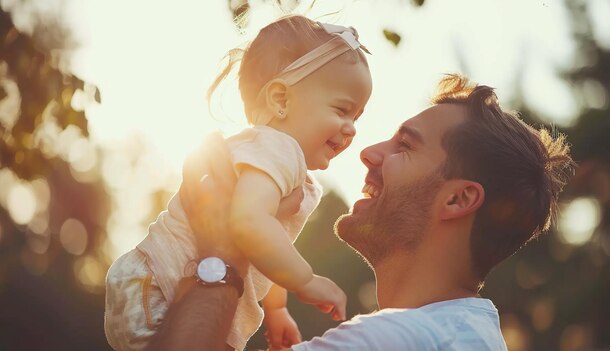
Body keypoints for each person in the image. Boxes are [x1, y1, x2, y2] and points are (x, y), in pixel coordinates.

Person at [146, 74, 575, 351]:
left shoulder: (395, 341)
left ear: (458, 200)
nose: (368, 152)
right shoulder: (458, 337)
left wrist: (220, 257)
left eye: (405, 146)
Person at [104, 15, 373, 351]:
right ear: (281, 100)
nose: (351, 128)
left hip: (162, 289)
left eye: (357, 116)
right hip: (161, 288)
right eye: (342, 110)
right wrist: (306, 280)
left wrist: (275, 310)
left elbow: (267, 243)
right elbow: (249, 224)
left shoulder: (275, 161)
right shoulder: (278, 149)